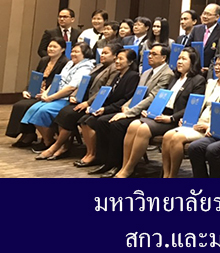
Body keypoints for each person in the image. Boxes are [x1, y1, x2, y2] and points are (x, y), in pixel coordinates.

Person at [115, 47, 207, 178]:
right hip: (161, 114)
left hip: (174, 118)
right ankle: (125, 166)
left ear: (193, 62)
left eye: (184, 59)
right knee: (133, 125)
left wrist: (171, 118)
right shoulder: (174, 78)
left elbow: (192, 107)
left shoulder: (198, 80)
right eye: (179, 58)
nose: (179, 61)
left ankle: (129, 168)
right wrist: (151, 111)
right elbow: (162, 98)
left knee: (143, 129)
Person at [89, 44, 174, 177]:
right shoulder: (146, 72)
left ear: (163, 58)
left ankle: (118, 164)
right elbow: (137, 94)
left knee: (117, 124)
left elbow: (152, 97)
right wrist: (126, 106)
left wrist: (129, 112)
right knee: (102, 121)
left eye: (154, 54)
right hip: (136, 108)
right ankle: (106, 162)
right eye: (149, 53)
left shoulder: (167, 74)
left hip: (148, 112)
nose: (150, 56)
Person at [39, 43, 122, 160]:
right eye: (102, 53)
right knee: (64, 112)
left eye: (106, 53)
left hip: (97, 102)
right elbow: (84, 83)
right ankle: (63, 146)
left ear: (114, 56)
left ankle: (56, 146)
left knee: (69, 114)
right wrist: (75, 95)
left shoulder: (114, 69)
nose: (102, 55)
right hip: (84, 99)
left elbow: (105, 91)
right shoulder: (98, 66)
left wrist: (88, 103)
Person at [21, 42, 95, 150]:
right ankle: (47, 140)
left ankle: (48, 141)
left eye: (77, 52)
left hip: (67, 98)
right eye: (72, 51)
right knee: (32, 109)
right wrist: (46, 93)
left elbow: (71, 88)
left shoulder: (86, 67)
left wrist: (51, 97)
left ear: (85, 53)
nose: (73, 54)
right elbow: (57, 80)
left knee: (43, 111)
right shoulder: (70, 63)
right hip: (55, 95)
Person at [76, 48, 140, 168]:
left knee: (98, 121)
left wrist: (106, 110)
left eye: (121, 59)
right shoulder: (118, 75)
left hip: (119, 109)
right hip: (109, 107)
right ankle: (90, 153)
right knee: (84, 120)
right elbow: (108, 95)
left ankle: (101, 157)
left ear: (130, 62)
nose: (117, 61)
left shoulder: (133, 76)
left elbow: (125, 99)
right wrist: (94, 107)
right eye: (116, 59)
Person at [6, 37, 68, 147]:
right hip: (37, 91)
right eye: (50, 46)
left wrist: (46, 93)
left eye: (54, 47)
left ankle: (30, 135)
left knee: (27, 105)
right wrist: (27, 90)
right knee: (19, 105)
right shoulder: (44, 60)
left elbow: (60, 82)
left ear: (62, 49)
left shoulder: (65, 63)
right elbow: (36, 77)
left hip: (50, 94)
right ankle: (26, 133)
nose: (51, 49)